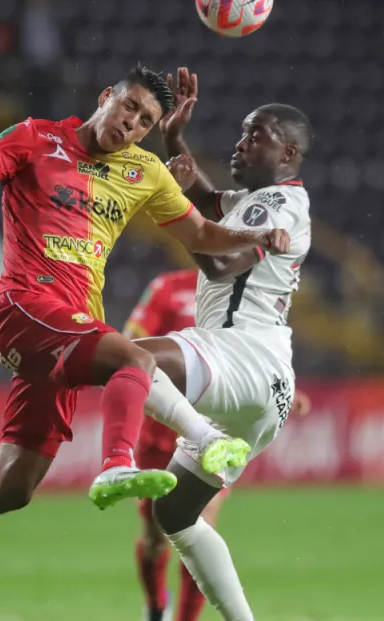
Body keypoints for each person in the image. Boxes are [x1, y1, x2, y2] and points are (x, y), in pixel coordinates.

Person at [0, 65, 292, 580]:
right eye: (129, 108)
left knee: (9, 490)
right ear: (106, 97)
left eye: (145, 121)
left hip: (72, 330)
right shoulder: (36, 136)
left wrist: (256, 238)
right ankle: (125, 460)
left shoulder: (145, 171)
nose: (132, 124)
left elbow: (203, 234)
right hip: (24, 309)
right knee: (135, 356)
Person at [124, 68, 313, 620]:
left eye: (256, 134)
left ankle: (195, 434)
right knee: (174, 515)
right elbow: (213, 205)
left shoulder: (279, 205)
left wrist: (177, 216)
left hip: (242, 355)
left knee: (130, 358)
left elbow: (222, 259)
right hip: (262, 390)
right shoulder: (261, 201)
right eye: (241, 132)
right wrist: (175, 141)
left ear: (289, 151)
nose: (241, 141)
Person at [125, 269, 311, 621]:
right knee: (154, 537)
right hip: (157, 434)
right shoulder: (165, 288)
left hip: (214, 433)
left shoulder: (242, 295)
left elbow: (252, 364)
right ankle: (154, 607)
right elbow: (130, 342)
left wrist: (281, 394)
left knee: (195, 525)